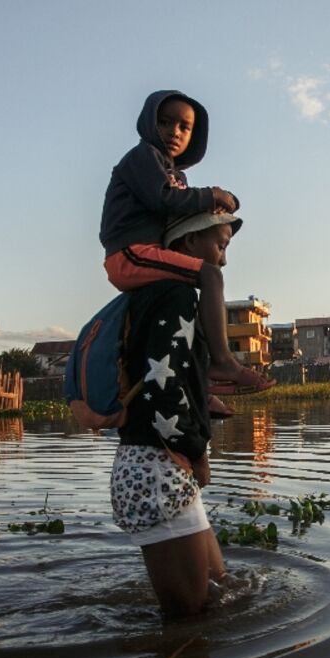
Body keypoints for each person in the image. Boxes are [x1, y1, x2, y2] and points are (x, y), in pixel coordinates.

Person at [110, 210, 245, 617]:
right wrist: (198, 451)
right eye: (219, 245)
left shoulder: (154, 295)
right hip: (158, 470)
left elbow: (174, 379)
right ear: (188, 243)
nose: (222, 259)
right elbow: (163, 390)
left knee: (221, 592)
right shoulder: (175, 293)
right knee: (188, 618)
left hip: (161, 468)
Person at [100, 89, 273, 397]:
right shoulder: (144, 156)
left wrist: (211, 207)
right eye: (165, 122)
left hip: (150, 252)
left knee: (190, 303)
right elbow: (164, 199)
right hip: (129, 253)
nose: (174, 132)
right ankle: (222, 361)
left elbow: (180, 215)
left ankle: (198, 384)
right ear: (149, 123)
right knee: (210, 274)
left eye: (184, 127)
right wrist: (213, 195)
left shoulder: (175, 173)